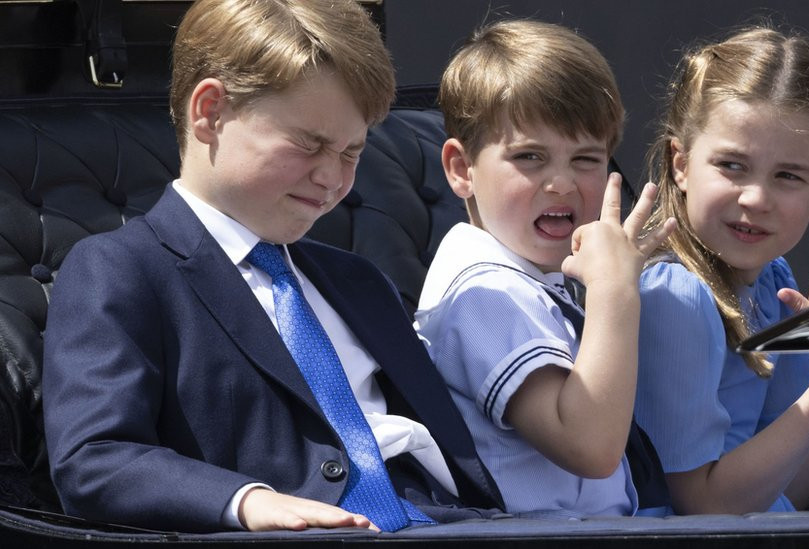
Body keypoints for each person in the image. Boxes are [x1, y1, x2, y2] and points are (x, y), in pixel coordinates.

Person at [42, 0, 501, 534]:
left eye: (352, 153)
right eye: (309, 144)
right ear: (210, 113)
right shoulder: (120, 271)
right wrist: (247, 501)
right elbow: (94, 456)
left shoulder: (360, 283)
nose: (332, 178)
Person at [414, 19, 675, 518]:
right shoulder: (483, 294)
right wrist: (615, 291)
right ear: (461, 169)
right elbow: (590, 447)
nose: (561, 183)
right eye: (530, 157)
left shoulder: (524, 279)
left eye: (586, 159)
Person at [633, 26, 809, 514]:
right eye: (732, 165)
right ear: (680, 164)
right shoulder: (674, 295)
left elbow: (786, 490)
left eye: (788, 176)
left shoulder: (772, 281)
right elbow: (701, 508)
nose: (756, 198)